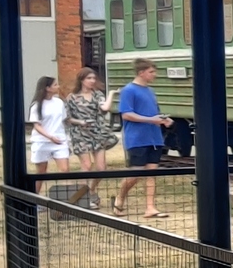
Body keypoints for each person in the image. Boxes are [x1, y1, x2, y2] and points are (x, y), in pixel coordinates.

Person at [110, 59, 173, 218]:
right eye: (151, 72)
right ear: (141, 73)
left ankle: (150, 207)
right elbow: (126, 114)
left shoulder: (151, 91)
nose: (154, 75)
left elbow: (154, 112)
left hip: (154, 138)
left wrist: (164, 120)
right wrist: (151, 120)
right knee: (135, 174)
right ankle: (120, 198)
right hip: (137, 138)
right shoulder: (129, 90)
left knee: (152, 173)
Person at [63, 67, 114, 208]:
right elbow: (67, 118)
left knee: (101, 168)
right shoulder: (72, 97)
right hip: (80, 134)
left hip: (97, 133)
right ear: (81, 80)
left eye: (94, 78)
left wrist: (111, 94)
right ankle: (83, 197)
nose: (92, 81)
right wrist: (80, 122)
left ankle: (91, 191)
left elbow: (105, 108)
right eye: (89, 78)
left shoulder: (97, 94)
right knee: (86, 166)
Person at [27, 76, 69, 181]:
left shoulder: (59, 102)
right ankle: (35, 195)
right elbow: (37, 125)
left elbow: (63, 119)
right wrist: (49, 137)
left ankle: (65, 195)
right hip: (42, 141)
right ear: (47, 88)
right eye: (55, 85)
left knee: (65, 170)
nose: (58, 86)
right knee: (41, 173)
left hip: (59, 140)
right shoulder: (36, 105)